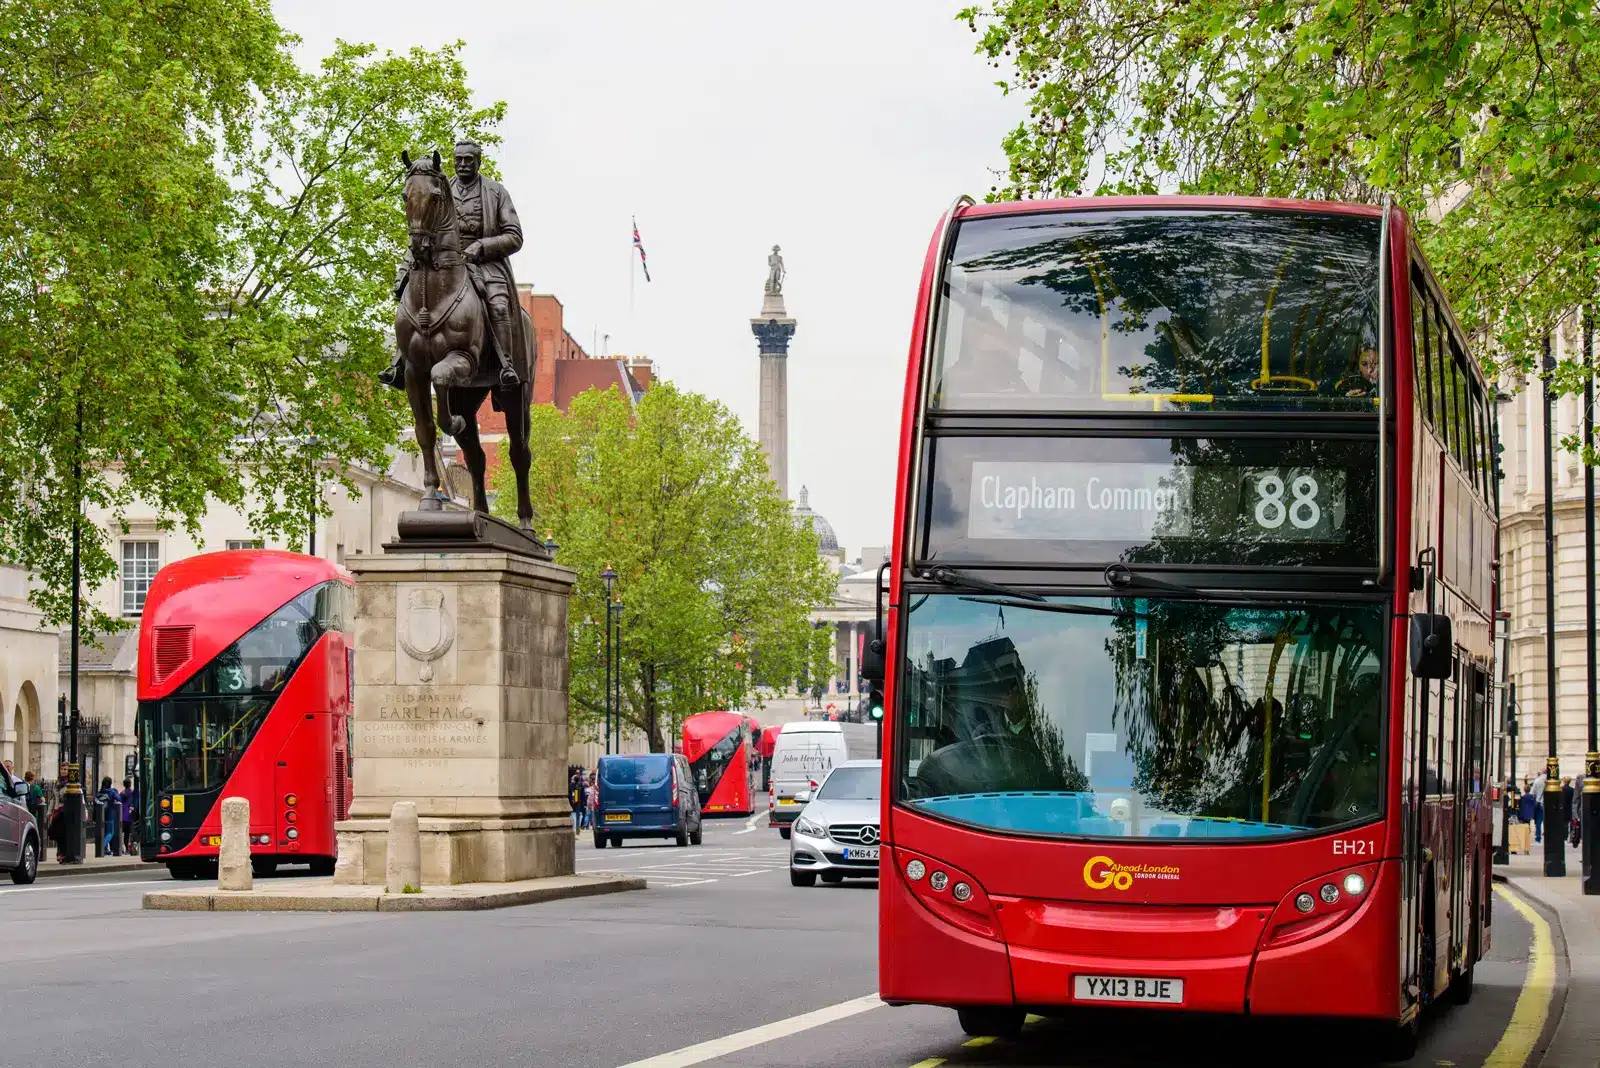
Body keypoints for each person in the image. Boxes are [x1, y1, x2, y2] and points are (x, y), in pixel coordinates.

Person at [380, 140, 522, 391]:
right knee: (412, 300)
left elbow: (514, 236)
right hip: (442, 261)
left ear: (479, 161)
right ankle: (400, 362)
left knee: (499, 305)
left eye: (469, 159)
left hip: (484, 262)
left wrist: (482, 246)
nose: (463, 164)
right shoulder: (440, 189)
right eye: (459, 160)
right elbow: (423, 224)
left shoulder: (496, 192)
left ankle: (505, 366)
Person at [96, 777, 122, 856]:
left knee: (103, 832)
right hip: (110, 814)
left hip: (101, 815)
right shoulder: (112, 792)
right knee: (110, 832)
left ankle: (106, 850)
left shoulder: (100, 792)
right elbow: (119, 799)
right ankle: (102, 846)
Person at [121, 777, 139, 855]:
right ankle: (131, 848)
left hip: (123, 816)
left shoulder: (122, 793)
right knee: (132, 833)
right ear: (130, 784)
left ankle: (127, 849)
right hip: (131, 815)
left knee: (126, 834)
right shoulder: (133, 793)